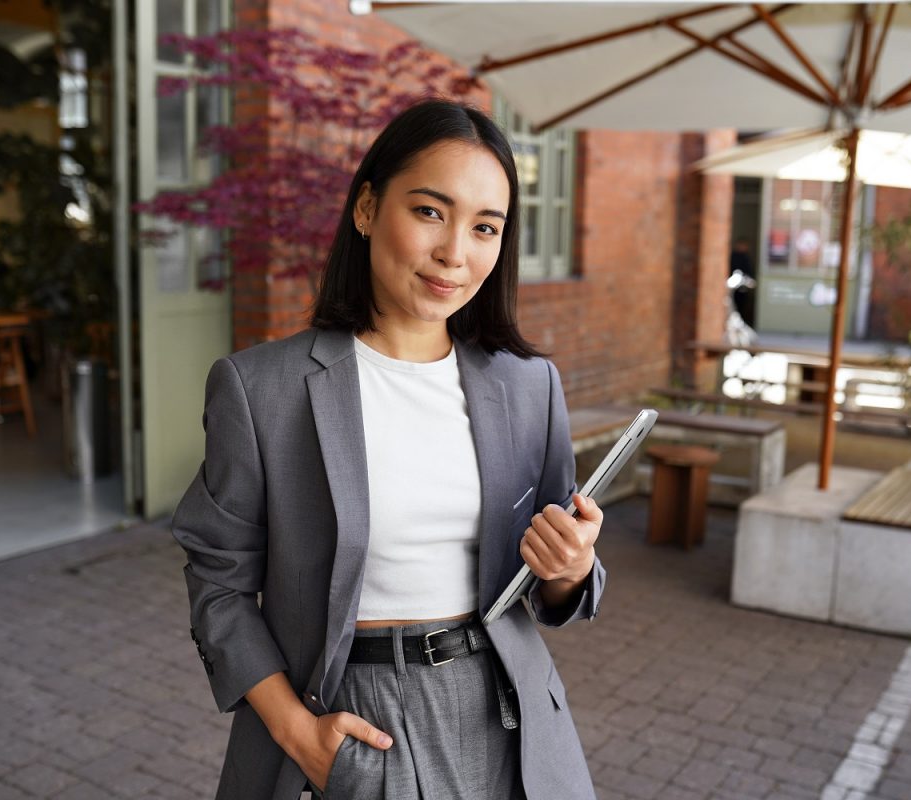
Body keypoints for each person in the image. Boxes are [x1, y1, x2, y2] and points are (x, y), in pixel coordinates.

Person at [172, 99, 606, 800]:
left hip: (508, 715)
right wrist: (296, 733)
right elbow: (218, 584)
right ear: (368, 208)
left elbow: (554, 587)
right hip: (347, 714)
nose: (455, 253)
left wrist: (571, 565)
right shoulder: (262, 389)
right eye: (430, 212)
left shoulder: (529, 388)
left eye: (484, 227)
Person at [728, 237, 756, 328]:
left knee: (741, 305)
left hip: (742, 287)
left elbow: (748, 272)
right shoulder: (733, 256)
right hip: (732, 286)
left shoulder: (745, 257)